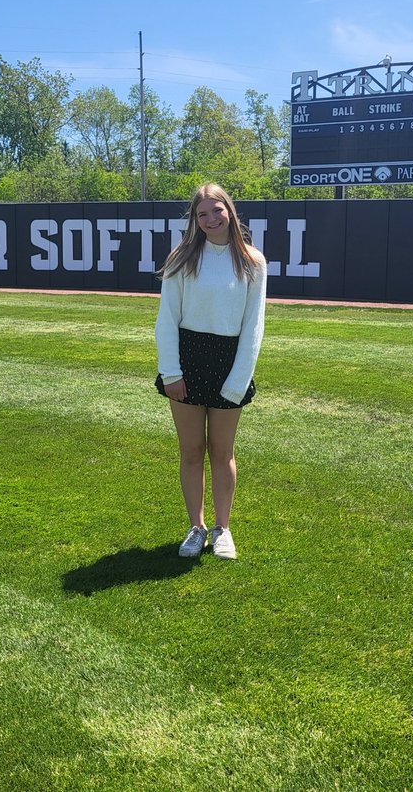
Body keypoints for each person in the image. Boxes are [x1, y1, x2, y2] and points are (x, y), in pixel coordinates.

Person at [154, 183, 267, 560]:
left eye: (216, 210)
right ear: (195, 220)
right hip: (187, 360)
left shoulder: (253, 261)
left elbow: (254, 326)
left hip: (228, 362)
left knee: (222, 452)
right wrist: (171, 372)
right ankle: (196, 527)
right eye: (201, 214)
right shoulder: (181, 258)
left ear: (229, 210)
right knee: (191, 451)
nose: (210, 220)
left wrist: (239, 380)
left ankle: (222, 529)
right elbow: (167, 320)